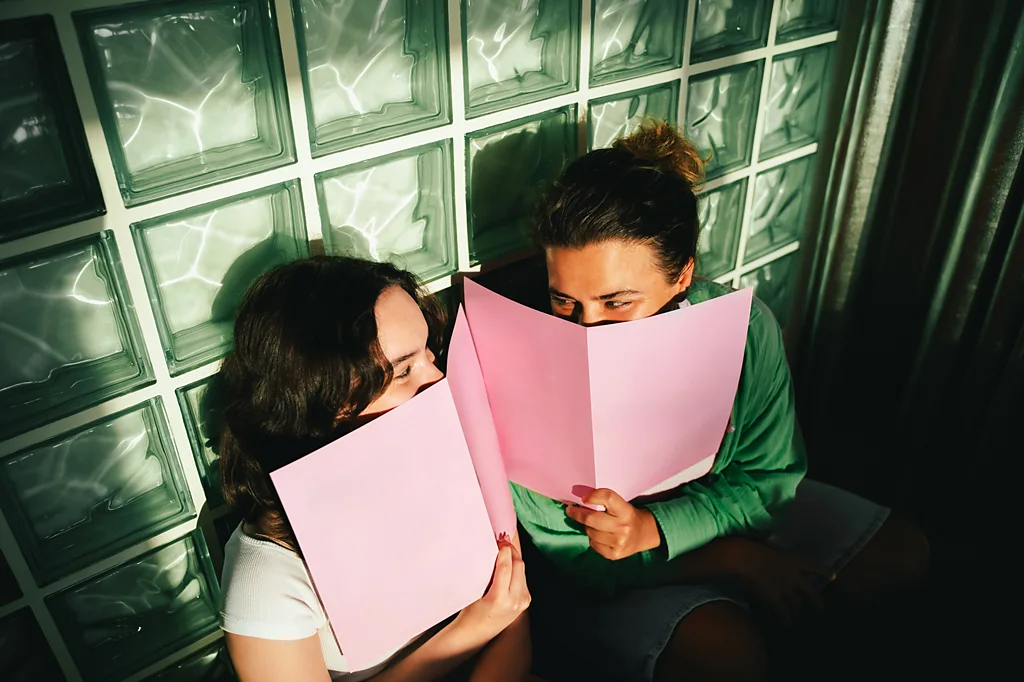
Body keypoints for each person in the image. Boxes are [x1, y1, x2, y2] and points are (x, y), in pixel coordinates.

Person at [511, 122, 931, 682]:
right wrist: (727, 559)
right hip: (607, 576)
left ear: (682, 275)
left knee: (903, 554)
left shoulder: (744, 328)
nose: (588, 330)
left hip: (725, 521)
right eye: (565, 302)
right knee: (728, 658)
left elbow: (770, 479)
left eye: (617, 303)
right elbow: (574, 563)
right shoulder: (518, 368)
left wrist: (661, 527)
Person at [217, 256, 532, 682]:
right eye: (404, 371)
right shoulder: (269, 578)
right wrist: (472, 629)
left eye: (430, 354)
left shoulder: (448, 461)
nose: (439, 378)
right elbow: (502, 614)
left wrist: (492, 622)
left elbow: (516, 622)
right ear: (320, 404)